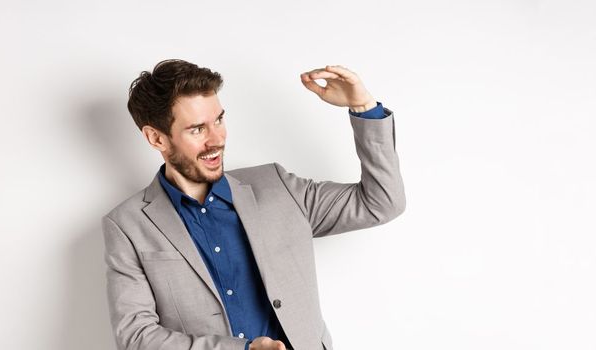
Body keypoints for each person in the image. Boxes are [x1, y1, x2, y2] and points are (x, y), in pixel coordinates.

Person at [103, 59, 405, 350]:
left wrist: (363, 107)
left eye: (219, 120)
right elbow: (136, 337)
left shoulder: (278, 186)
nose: (216, 139)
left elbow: (381, 202)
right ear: (157, 138)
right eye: (197, 129)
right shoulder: (128, 225)